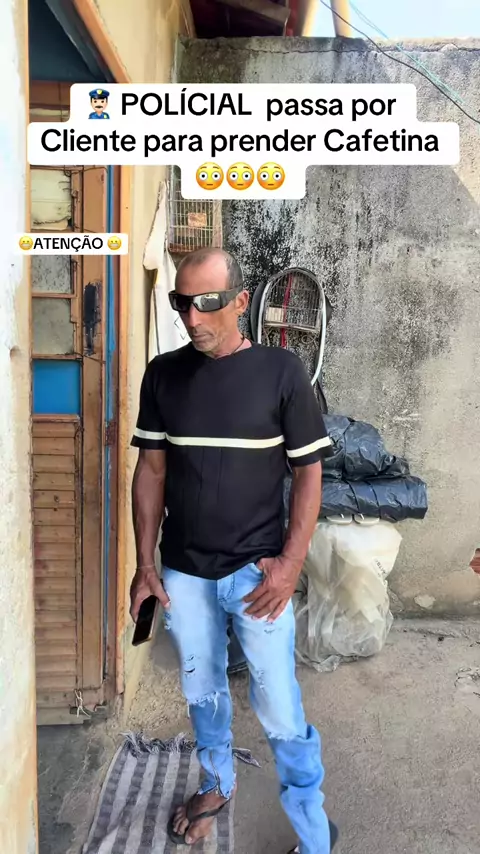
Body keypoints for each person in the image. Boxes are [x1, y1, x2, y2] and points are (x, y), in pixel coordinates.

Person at [129, 248, 337, 854]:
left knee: (278, 706)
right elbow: (151, 471)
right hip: (184, 573)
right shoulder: (163, 375)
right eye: (182, 303)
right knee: (202, 690)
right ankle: (217, 784)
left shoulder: (282, 372)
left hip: (258, 576)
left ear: (241, 302)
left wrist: (291, 563)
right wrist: (145, 566)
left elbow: (308, 474)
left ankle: (313, 829)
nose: (193, 318)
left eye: (208, 303)